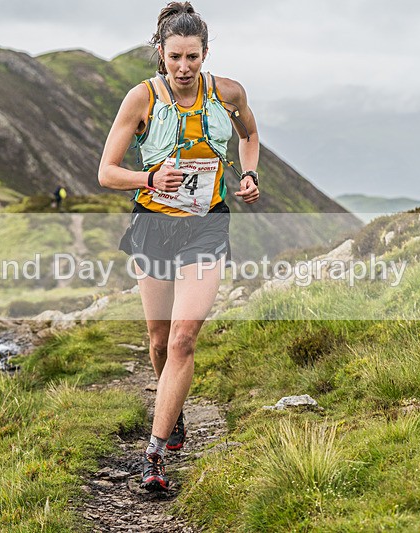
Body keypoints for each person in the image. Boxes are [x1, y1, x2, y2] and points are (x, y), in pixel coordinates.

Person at [98, 1, 259, 491]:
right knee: (159, 341)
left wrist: (249, 173)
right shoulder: (141, 99)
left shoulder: (228, 93)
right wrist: (149, 177)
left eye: (193, 57)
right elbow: (107, 173)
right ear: (161, 55)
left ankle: (154, 454)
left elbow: (249, 134)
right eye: (175, 58)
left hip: (207, 226)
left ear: (205, 53)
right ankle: (176, 410)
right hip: (153, 226)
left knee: (184, 338)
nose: (184, 67)